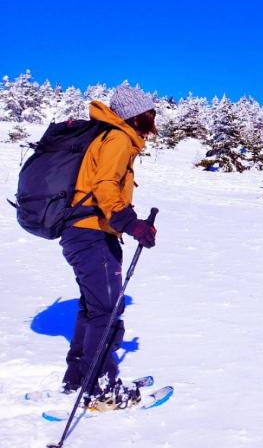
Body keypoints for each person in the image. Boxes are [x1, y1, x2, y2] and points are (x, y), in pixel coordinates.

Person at [60, 84, 158, 411]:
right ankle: (101, 390)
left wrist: (128, 224)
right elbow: (104, 186)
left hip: (83, 232)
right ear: (136, 114)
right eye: (150, 112)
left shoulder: (107, 136)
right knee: (106, 311)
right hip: (92, 234)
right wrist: (131, 223)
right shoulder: (117, 138)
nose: (154, 117)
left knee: (93, 307)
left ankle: (77, 377)